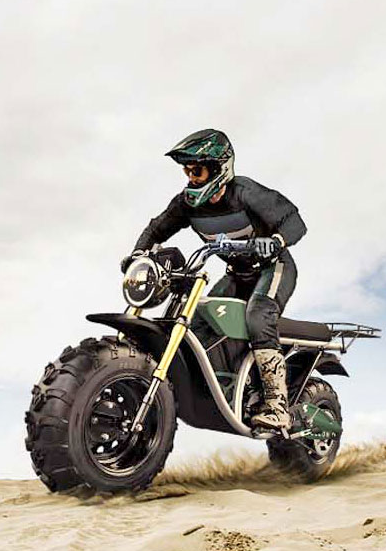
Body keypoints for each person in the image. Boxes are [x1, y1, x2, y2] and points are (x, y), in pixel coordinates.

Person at [122, 128, 306, 434]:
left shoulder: (246, 193)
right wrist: (138, 254)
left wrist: (275, 241)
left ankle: (276, 406)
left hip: (273, 268)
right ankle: (227, 385)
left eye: (197, 170)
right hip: (236, 274)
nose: (190, 178)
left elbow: (295, 221)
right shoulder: (186, 204)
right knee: (197, 320)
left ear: (219, 167)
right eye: (187, 171)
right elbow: (157, 229)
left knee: (258, 317)